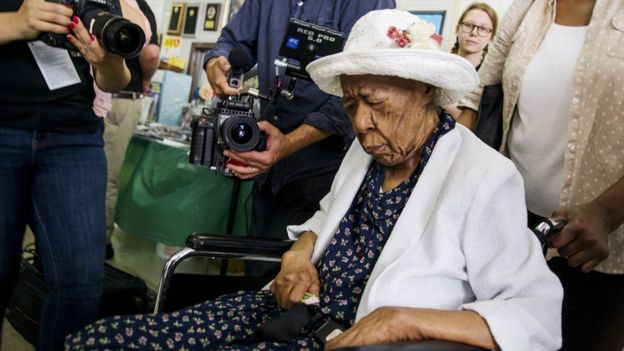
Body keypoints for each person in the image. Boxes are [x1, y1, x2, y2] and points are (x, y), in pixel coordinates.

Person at [66, 10, 562, 351]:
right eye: (351, 105)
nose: (361, 123)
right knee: (95, 341)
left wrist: (402, 321)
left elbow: (535, 315)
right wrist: (300, 254)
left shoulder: (483, 176)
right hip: (282, 312)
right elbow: (324, 218)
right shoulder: (367, 152)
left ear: (425, 91)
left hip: (341, 340)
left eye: (377, 103)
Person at [457, 0, 624, 349]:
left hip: (594, 244)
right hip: (514, 228)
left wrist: (608, 211)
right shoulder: (529, 8)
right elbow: (479, 89)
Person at [204, 0, 395, 280]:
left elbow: (361, 90)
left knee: (288, 277)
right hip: (268, 162)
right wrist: (215, 62)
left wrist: (290, 142)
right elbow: (233, 40)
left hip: (323, 170)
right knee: (256, 267)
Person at [0, 0, 130, 349]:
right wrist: (14, 22)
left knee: (81, 283)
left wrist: (108, 61)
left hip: (75, 137)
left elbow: (117, 79)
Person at [103, 0, 160, 259]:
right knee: (107, 179)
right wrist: (146, 79)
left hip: (91, 95)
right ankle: (99, 243)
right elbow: (150, 55)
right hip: (119, 98)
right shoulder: (139, 7)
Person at [445, 2, 498, 118]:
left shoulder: (490, 83)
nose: (474, 33)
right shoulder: (439, 67)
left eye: (483, 28)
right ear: (457, 29)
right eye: (468, 25)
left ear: (492, 37)